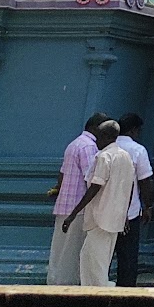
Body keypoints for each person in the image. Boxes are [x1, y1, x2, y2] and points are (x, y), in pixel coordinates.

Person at [61, 120, 136, 289]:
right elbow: (129, 188)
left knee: (94, 261)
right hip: (115, 218)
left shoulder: (104, 157)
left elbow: (95, 187)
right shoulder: (125, 157)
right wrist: (124, 214)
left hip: (100, 217)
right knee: (99, 258)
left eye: (99, 136)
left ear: (107, 137)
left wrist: (73, 214)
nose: (96, 140)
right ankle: (97, 290)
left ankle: (98, 293)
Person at [46, 112, 111, 285]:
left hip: (65, 205)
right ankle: (68, 287)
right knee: (73, 252)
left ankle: (55, 284)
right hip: (79, 209)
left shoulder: (74, 144)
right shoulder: (89, 147)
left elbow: (62, 174)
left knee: (60, 251)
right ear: (95, 128)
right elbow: (92, 179)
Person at [112, 114, 154, 287]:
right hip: (129, 213)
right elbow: (144, 181)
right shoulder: (138, 150)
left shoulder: (106, 148)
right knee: (128, 256)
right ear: (134, 130)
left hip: (104, 211)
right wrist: (148, 206)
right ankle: (126, 289)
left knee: (102, 255)